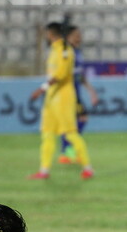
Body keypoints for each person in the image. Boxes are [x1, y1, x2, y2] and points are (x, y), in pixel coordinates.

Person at [29, 22, 94, 180]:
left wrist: (42, 88)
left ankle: (87, 168)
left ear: (50, 33)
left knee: (71, 133)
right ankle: (44, 171)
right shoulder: (55, 49)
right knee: (48, 134)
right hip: (52, 98)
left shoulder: (65, 50)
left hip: (64, 98)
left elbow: (61, 74)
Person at [57, 26, 100, 165]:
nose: (79, 38)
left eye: (79, 35)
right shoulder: (65, 53)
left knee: (79, 119)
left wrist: (91, 91)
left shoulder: (77, 53)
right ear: (68, 37)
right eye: (76, 35)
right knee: (72, 122)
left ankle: (68, 151)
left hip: (75, 93)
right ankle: (67, 152)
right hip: (67, 93)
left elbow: (80, 76)